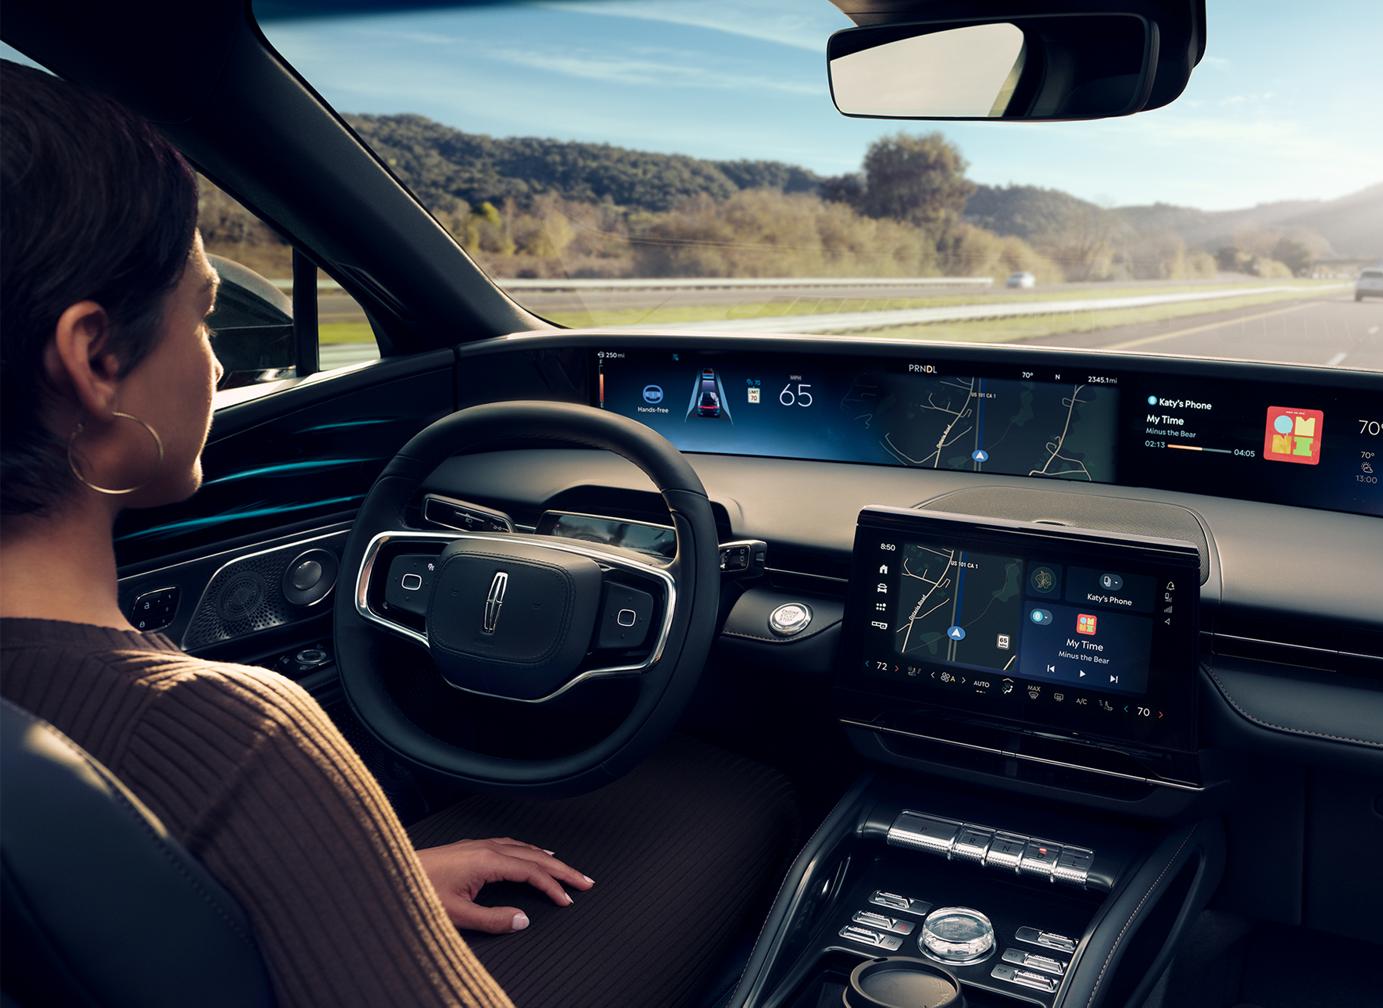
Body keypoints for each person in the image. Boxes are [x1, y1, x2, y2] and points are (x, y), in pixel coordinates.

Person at [0, 61, 794, 1007]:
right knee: (746, 793)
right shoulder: (232, 735)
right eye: (205, 315)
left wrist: (357, 880)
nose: (216, 361)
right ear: (95, 358)